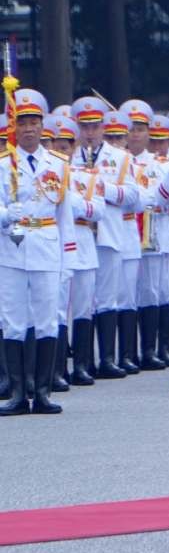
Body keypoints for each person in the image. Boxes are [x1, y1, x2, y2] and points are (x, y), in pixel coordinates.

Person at [0, 89, 72, 415]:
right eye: (23, 122)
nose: (28, 128)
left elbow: (64, 214)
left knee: (46, 320)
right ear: (14, 126)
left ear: (43, 126)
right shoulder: (3, 164)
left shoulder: (57, 163)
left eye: (34, 122)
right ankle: (17, 392)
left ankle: (42, 392)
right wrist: (5, 215)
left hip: (45, 243)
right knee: (13, 320)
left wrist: (68, 258)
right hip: (11, 247)